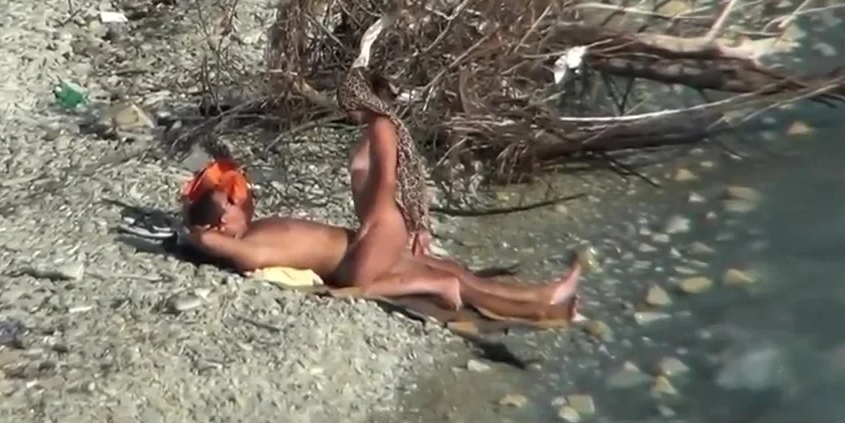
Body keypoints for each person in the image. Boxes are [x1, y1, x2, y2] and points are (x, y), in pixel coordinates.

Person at [180, 150, 581, 323]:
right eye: (231, 202)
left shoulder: (252, 231)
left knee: (455, 269)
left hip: (361, 248)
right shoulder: (245, 245)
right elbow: (225, 249)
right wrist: (197, 235)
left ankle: (541, 298)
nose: (241, 201)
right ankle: (542, 302)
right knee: (459, 282)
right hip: (357, 261)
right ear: (218, 224)